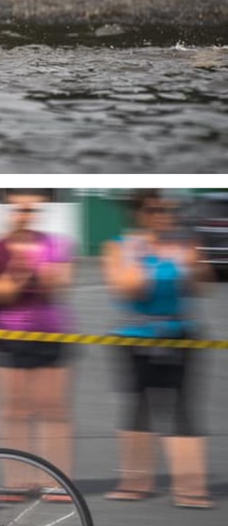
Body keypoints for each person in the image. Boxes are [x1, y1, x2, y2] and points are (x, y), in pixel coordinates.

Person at [102, 191, 216, 509]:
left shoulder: (186, 245)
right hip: (135, 335)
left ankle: (191, 488)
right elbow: (126, 289)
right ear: (140, 212)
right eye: (155, 209)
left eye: (169, 209)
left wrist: (196, 266)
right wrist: (148, 256)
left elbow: (202, 286)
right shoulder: (120, 246)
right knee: (139, 407)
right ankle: (136, 482)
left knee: (184, 408)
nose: (164, 215)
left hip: (181, 334)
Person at [0, 191, 76, 497]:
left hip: (49, 332)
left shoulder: (55, 245)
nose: (24, 215)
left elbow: (58, 286)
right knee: (14, 411)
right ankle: (16, 481)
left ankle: (57, 481)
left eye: (31, 210)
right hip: (9, 335)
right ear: (8, 211)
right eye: (19, 209)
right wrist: (19, 270)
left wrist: (46, 272)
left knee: (53, 409)